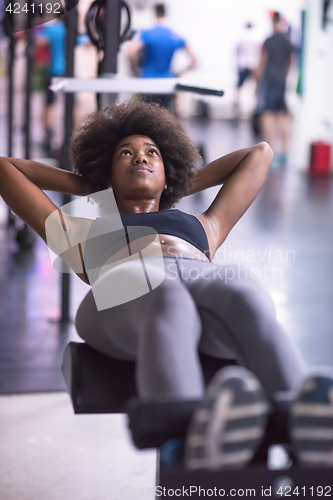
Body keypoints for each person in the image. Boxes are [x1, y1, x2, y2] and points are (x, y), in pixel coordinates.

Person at [0, 101, 332, 470]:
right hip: (126, 291)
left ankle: (305, 427)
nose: (140, 158)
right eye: (125, 154)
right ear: (107, 174)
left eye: (152, 153)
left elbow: (260, 153)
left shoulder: (205, 224)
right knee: (166, 295)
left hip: (201, 280)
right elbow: (5, 169)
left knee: (242, 293)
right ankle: (184, 440)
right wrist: (95, 187)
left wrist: (170, 180)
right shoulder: (83, 233)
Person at [127, 3, 196, 109]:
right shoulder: (175, 35)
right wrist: (179, 72)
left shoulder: (147, 34)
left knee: (147, 119)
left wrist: (135, 70)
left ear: (155, 13)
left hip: (148, 83)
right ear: (166, 13)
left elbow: (131, 52)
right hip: (167, 83)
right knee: (164, 119)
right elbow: (194, 59)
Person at [255, 12, 293, 166]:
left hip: (269, 79)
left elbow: (262, 61)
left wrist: (257, 81)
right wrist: (284, 76)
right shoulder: (287, 41)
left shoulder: (269, 40)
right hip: (281, 79)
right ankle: (285, 150)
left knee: (267, 113)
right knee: (282, 113)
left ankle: (270, 151)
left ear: (272, 22)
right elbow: (290, 62)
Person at [33, 18, 66, 156]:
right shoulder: (67, 29)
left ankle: (49, 138)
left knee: (49, 104)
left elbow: (37, 42)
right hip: (66, 71)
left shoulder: (53, 28)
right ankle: (68, 137)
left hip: (53, 72)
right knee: (69, 103)